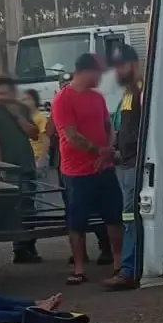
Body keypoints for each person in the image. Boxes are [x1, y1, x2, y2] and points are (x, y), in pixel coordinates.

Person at [51, 53, 124, 285]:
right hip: (77, 172)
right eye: (98, 73)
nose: (101, 78)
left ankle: (119, 262)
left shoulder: (97, 98)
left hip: (104, 167)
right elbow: (71, 136)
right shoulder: (63, 99)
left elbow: (108, 126)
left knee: (113, 216)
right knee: (77, 221)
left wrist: (109, 149)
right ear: (85, 71)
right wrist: (98, 151)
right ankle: (79, 267)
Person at [0, 74, 41, 264]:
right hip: (9, 167)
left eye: (4, 93)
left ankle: (30, 246)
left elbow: (34, 133)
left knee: (30, 206)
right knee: (17, 208)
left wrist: (17, 116)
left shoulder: (22, 108)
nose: (0, 97)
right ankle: (20, 249)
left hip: (27, 163)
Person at [103, 45, 143, 290]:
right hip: (125, 162)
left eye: (122, 65)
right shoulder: (128, 92)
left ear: (134, 64)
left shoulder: (140, 90)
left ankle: (129, 270)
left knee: (130, 216)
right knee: (129, 216)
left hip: (135, 164)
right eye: (115, 65)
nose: (118, 70)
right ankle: (129, 267)